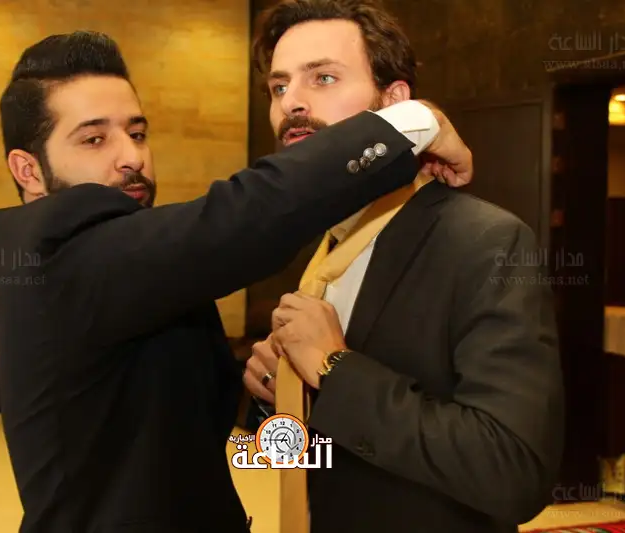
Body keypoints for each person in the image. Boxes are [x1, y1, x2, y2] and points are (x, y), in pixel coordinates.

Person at [0, 30, 472, 533]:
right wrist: (414, 122)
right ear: (28, 171)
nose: (131, 157)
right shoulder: (58, 250)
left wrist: (269, 392)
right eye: (93, 139)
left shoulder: (128, 260)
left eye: (137, 132)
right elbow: (246, 214)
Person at [242, 1, 564, 532]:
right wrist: (281, 398)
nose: (291, 102)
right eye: (279, 87)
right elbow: (320, 454)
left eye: (323, 78)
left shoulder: (485, 242)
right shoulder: (312, 242)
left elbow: (513, 471)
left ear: (395, 104)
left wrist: (334, 370)